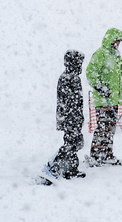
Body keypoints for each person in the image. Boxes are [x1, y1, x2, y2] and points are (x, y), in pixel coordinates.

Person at [85, 27, 122, 166]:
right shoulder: (100, 54)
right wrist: (100, 87)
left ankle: (107, 154)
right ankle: (96, 156)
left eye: (119, 42)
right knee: (103, 127)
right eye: (116, 41)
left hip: (113, 99)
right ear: (110, 40)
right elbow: (90, 73)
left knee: (110, 128)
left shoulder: (116, 57)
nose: (118, 44)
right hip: (103, 99)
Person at [39, 50, 87, 185]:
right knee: (71, 143)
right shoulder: (67, 78)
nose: (80, 65)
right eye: (79, 62)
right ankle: (52, 167)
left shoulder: (73, 77)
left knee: (76, 142)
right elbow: (68, 101)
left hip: (74, 117)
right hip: (70, 118)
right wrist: (71, 117)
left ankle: (70, 169)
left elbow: (77, 102)